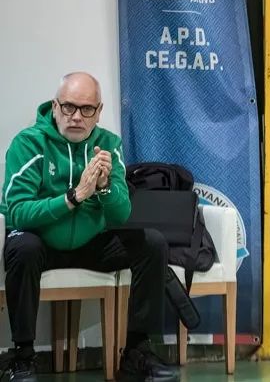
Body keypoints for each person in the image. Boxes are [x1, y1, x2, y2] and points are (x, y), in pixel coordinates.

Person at [0, 73, 179, 382]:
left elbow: (121, 215)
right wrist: (74, 197)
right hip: (42, 243)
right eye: (69, 107)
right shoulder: (29, 143)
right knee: (22, 247)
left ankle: (137, 351)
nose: (76, 117)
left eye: (86, 109)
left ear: (99, 111)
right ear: (55, 107)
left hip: (91, 242)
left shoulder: (109, 145)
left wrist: (106, 186)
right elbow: (16, 212)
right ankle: (23, 356)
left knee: (151, 243)